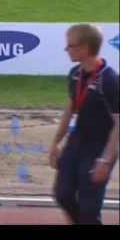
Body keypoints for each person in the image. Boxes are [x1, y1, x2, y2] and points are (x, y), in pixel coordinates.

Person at [50, 24, 119, 224]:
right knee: (63, 195)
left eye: (70, 46)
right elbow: (70, 109)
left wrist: (105, 160)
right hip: (77, 142)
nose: (66, 50)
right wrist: (56, 143)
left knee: (89, 209)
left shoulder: (109, 80)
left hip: (99, 148)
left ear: (85, 48)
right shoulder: (74, 74)